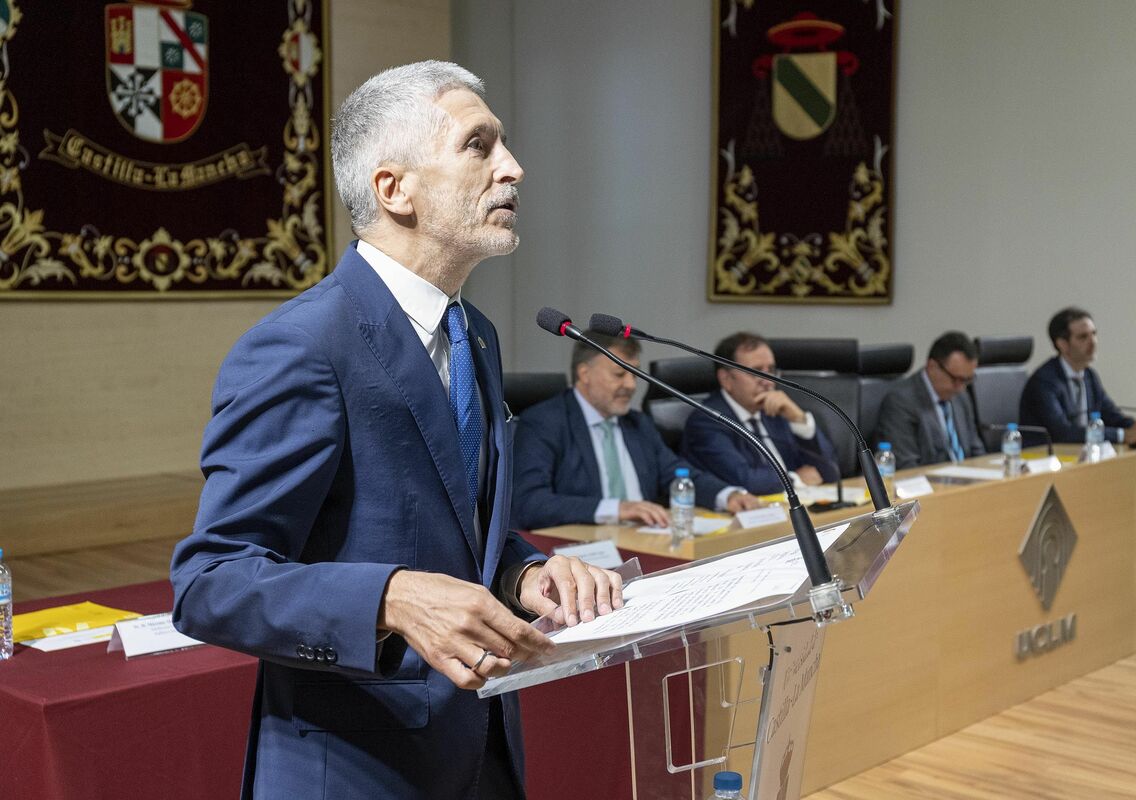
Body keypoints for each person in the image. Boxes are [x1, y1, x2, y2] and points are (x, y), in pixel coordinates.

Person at [169, 62, 622, 800]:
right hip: (358, 765)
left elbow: (458, 524)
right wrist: (392, 598)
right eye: (480, 146)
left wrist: (525, 573)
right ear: (394, 189)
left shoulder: (472, 332)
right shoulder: (304, 346)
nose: (513, 168)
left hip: (482, 752)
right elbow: (209, 581)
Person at [511, 332, 760, 530]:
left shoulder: (637, 423)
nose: (630, 386)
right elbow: (531, 503)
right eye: (620, 375)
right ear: (584, 374)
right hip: (582, 553)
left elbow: (676, 474)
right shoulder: (545, 422)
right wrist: (617, 508)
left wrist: (727, 495)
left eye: (634, 375)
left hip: (645, 543)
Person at [679, 332, 840, 494]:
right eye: (755, 371)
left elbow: (830, 472)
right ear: (726, 379)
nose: (768, 381)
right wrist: (796, 480)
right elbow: (745, 480)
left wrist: (798, 419)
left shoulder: (776, 411)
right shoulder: (707, 421)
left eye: (770, 370)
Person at [1019, 307, 1136, 445]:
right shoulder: (1045, 381)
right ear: (1062, 344)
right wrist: (1123, 435)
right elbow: (1062, 433)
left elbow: (1110, 414)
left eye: (1094, 334)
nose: (1093, 342)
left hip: (1079, 453)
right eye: (1083, 337)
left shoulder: (1089, 376)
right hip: (1043, 458)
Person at [874, 331, 987, 469]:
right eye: (956, 379)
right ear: (932, 366)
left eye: (967, 380)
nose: (961, 388)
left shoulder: (960, 396)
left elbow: (976, 450)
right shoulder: (901, 402)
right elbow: (907, 466)